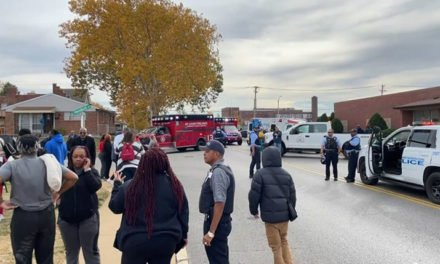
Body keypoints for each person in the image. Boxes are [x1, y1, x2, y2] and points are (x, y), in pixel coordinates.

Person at [0, 134, 78, 264]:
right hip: (46, 215)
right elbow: (73, 177)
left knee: (22, 257)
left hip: (23, 216)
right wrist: (58, 192)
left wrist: (1, 202)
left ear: (18, 147)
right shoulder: (48, 163)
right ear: (37, 147)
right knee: (46, 258)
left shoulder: (12, 165)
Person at [109, 148, 189, 264]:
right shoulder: (175, 186)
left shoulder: (130, 186)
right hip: (165, 240)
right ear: (165, 163)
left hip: (134, 240)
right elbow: (183, 212)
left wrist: (117, 185)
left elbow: (115, 207)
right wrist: (184, 235)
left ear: (143, 164)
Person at [248, 146, 296, 264]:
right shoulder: (287, 174)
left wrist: (253, 210)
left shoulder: (260, 174)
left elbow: (254, 196)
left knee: (276, 247)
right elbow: (293, 196)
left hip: (270, 218)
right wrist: (290, 210)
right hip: (284, 216)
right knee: (284, 240)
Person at [58, 145, 102, 264]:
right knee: (71, 252)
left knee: (90, 251)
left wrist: (87, 170)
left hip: (88, 218)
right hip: (66, 219)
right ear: (70, 158)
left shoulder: (92, 172)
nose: (78, 159)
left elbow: (95, 187)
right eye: (75, 156)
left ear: (87, 158)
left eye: (82, 156)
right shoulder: (64, 173)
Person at [199, 140, 235, 264]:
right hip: (218, 222)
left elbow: (220, 202)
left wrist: (211, 232)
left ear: (217, 154)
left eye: (207, 151)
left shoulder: (219, 172)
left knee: (218, 260)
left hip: (217, 224)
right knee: (218, 258)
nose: (204, 153)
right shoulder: (217, 169)